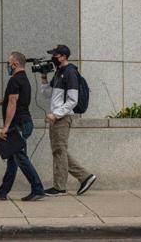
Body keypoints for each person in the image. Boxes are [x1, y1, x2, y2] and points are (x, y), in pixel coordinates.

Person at [41, 45, 96, 196]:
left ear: (64, 56)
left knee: (59, 150)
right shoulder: (59, 72)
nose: (53, 58)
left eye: (56, 55)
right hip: (57, 117)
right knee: (59, 150)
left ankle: (60, 187)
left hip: (63, 117)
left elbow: (73, 100)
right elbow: (48, 95)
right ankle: (85, 177)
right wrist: (44, 78)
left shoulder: (71, 72)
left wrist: (56, 114)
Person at [0, 52, 45, 201]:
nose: (7, 66)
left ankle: (38, 189)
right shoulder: (23, 79)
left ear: (14, 64)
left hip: (19, 125)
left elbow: (13, 103)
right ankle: (2, 192)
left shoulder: (15, 80)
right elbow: (14, 100)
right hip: (23, 123)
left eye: (8, 63)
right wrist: (2, 101)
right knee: (13, 158)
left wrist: (6, 127)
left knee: (20, 158)